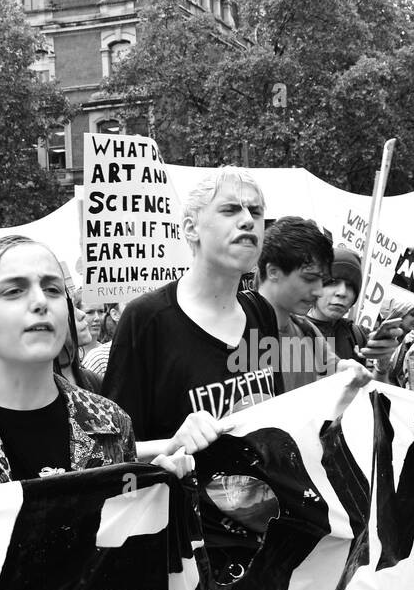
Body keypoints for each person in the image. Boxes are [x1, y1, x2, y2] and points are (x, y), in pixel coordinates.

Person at [0, 236, 191, 522]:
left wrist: (157, 491)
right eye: (14, 291)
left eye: (53, 289)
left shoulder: (111, 423)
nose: (41, 302)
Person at [101, 167, 281, 461]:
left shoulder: (261, 312)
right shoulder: (146, 319)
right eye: (230, 209)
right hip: (181, 504)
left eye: (256, 212)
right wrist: (172, 444)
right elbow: (110, 451)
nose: (248, 220)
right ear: (190, 228)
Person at [254, 216, 340, 390]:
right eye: (309, 278)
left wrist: (374, 367)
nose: (319, 291)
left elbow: (338, 371)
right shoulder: (232, 336)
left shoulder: (308, 331)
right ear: (273, 272)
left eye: (322, 280)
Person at [306, 247, 370, 361]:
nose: (342, 292)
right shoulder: (290, 331)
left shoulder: (357, 336)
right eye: (333, 282)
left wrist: (381, 366)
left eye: (350, 285)